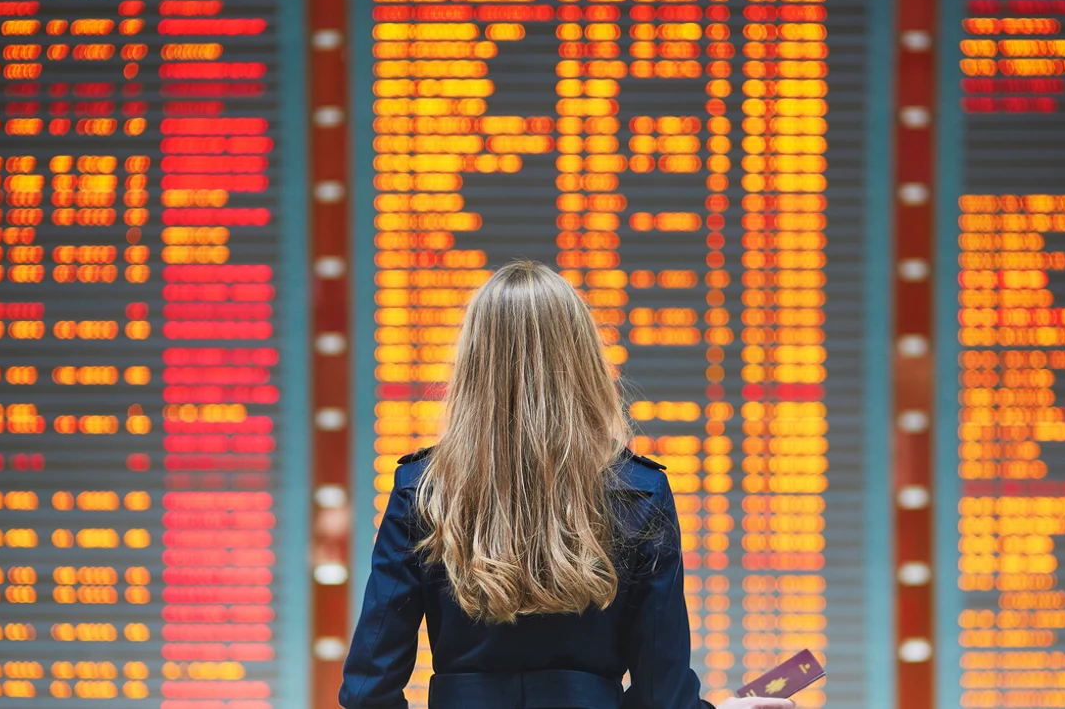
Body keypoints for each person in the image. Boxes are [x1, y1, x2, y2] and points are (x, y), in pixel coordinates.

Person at [340, 260, 796, 709]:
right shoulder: (639, 491)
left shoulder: (421, 490)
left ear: (473, 361)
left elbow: (367, 692)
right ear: (582, 358)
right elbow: (663, 696)